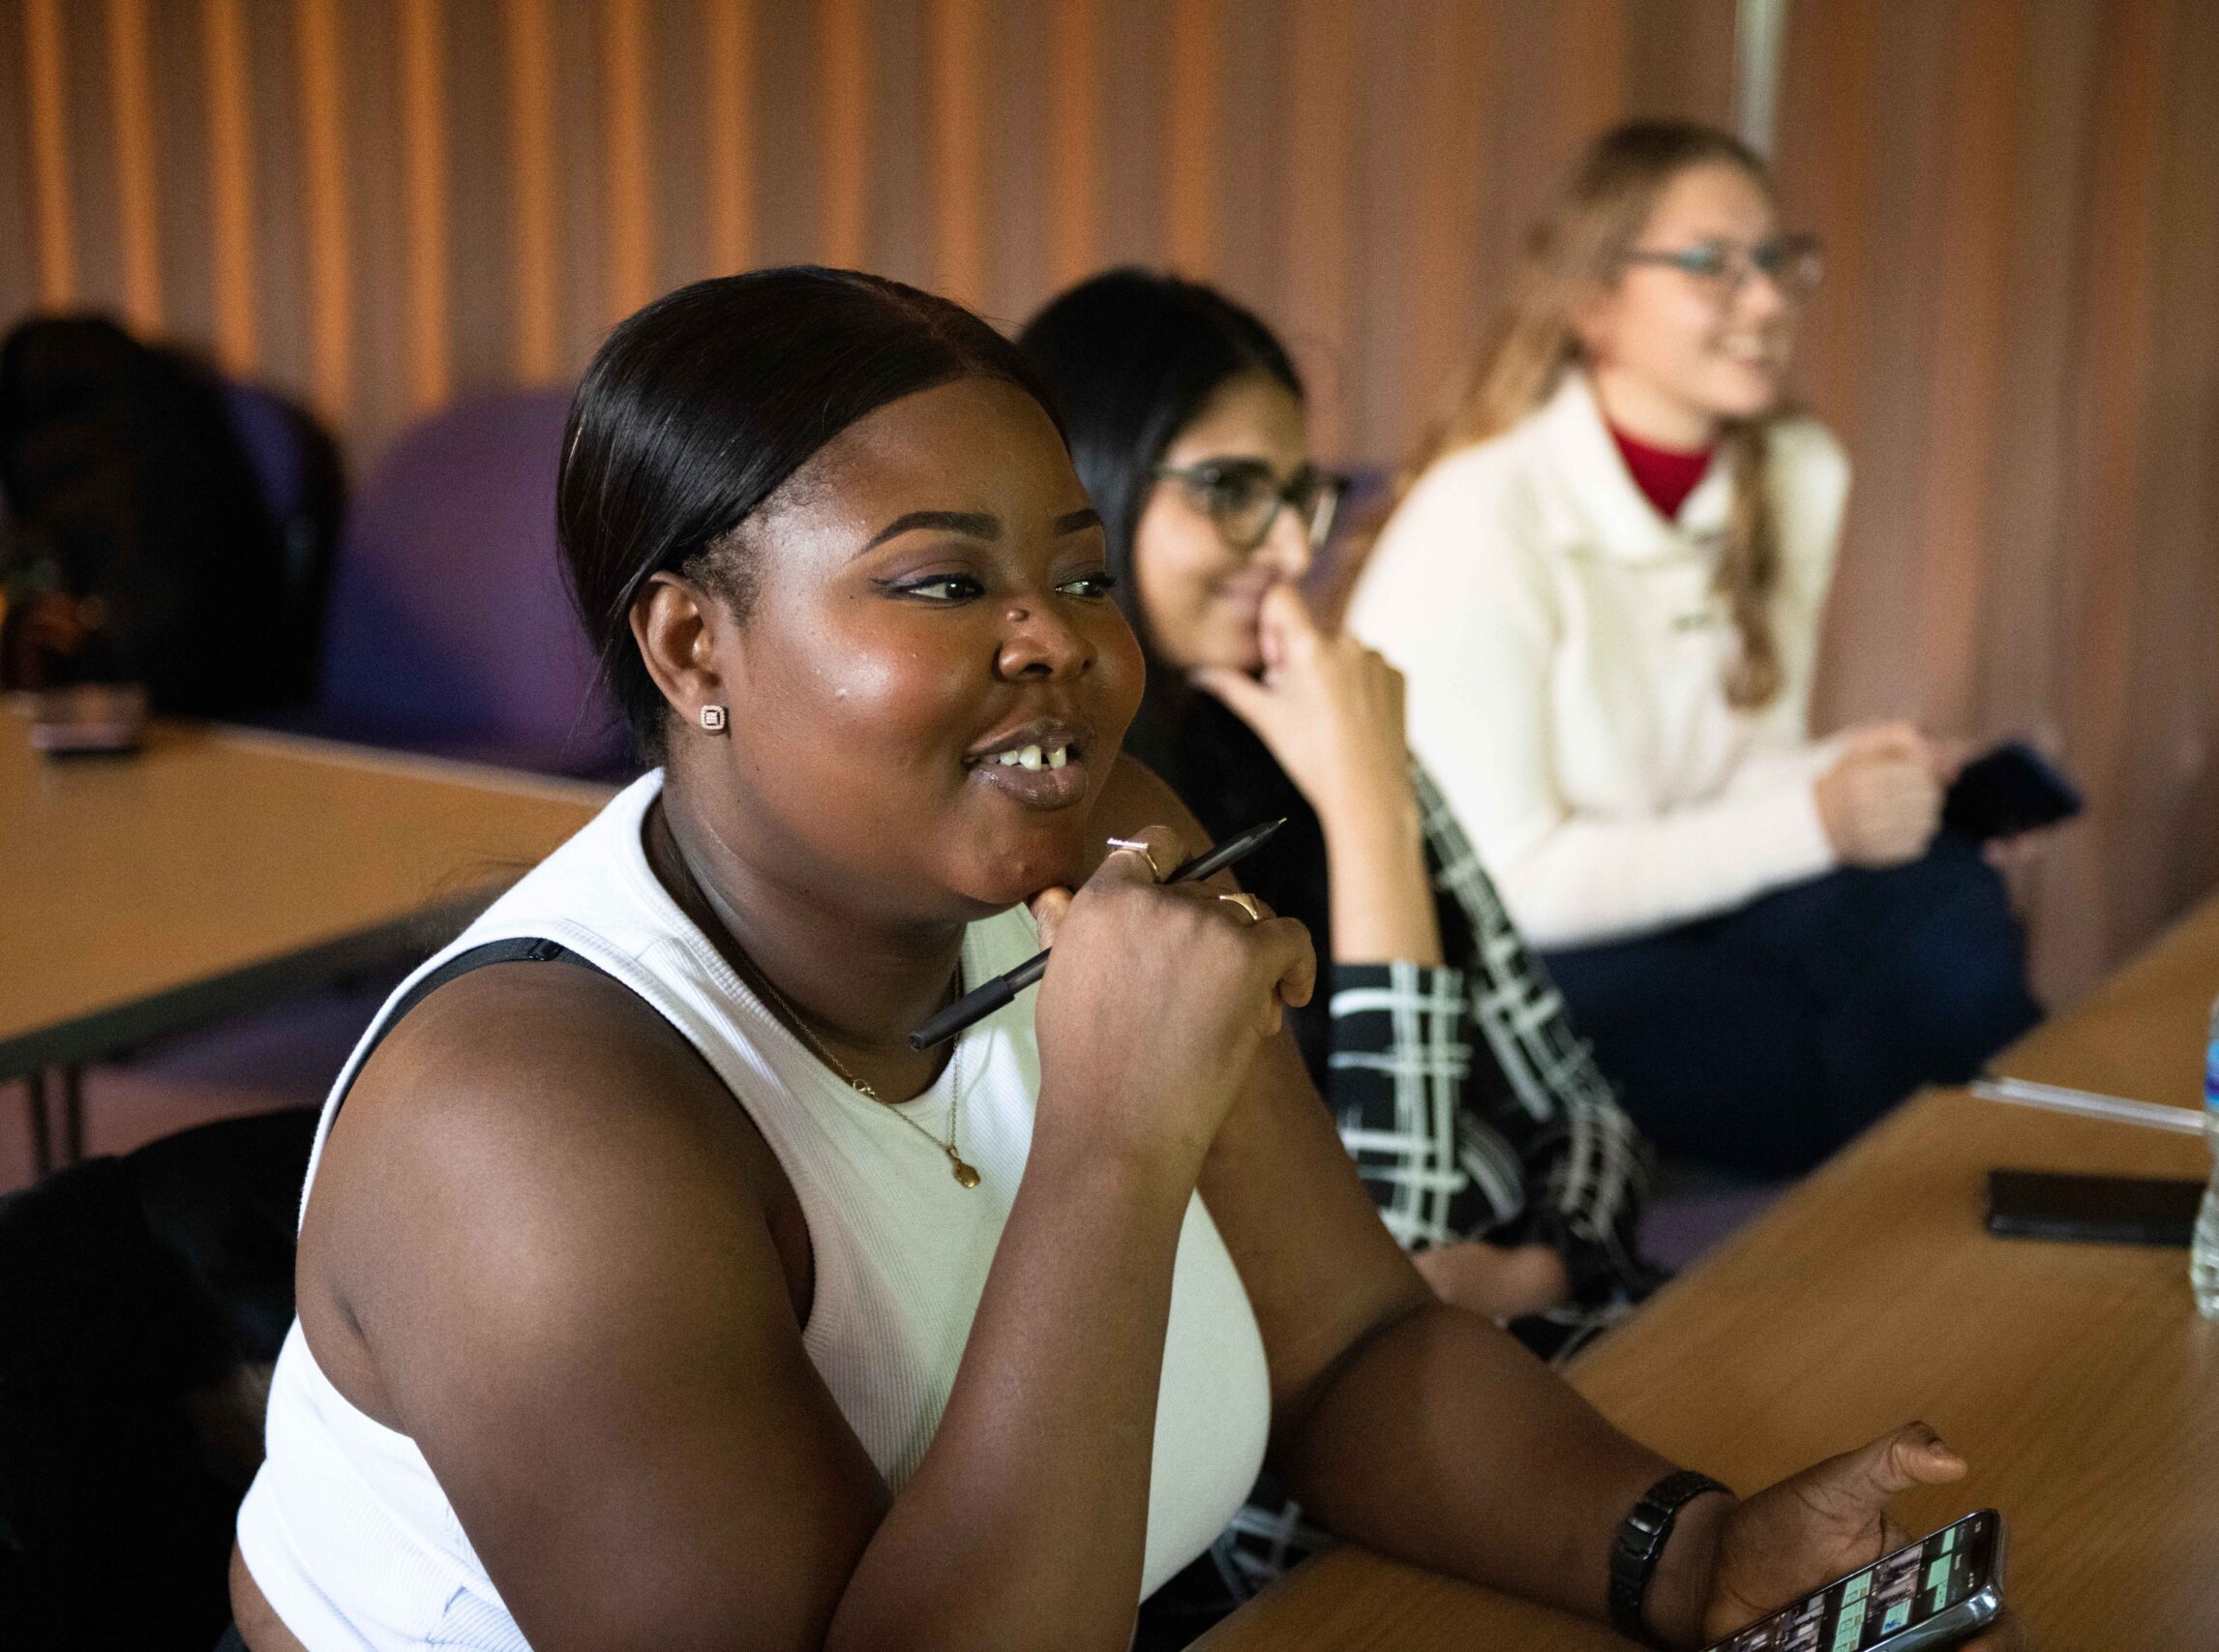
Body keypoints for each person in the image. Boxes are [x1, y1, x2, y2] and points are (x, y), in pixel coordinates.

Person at [225, 266, 2007, 1652]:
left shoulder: (1096, 840)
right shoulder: (524, 1129)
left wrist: (1690, 1550)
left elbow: (1354, 1355)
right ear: (695, 643)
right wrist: (1117, 1136)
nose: (1056, 649)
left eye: (1079, 579)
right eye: (941, 586)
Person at [1020, 269, 1660, 1630]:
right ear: (1094, 493)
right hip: (1292, 1474)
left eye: (1301, 493)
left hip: (1514, 1332)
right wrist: (1370, 824)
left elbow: (1587, 1103)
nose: (1284, 544)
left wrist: (1550, 1259)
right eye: (1230, 489)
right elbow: (1391, 1256)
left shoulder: (1321, 724)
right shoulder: (1076, 832)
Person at [1349, 123, 2041, 1180]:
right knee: (1843, 1026)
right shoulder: (1482, 519)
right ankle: (1977, 1196)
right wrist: (1817, 819)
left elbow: (1728, 775)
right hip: (1521, 968)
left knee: (1941, 883)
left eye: (1773, 263)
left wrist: (1869, 776)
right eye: (1711, 266)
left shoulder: (1795, 472)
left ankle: (1998, 1183)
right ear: (1592, 301)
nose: (1764, 302)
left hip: (1683, 904)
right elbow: (1513, 886)